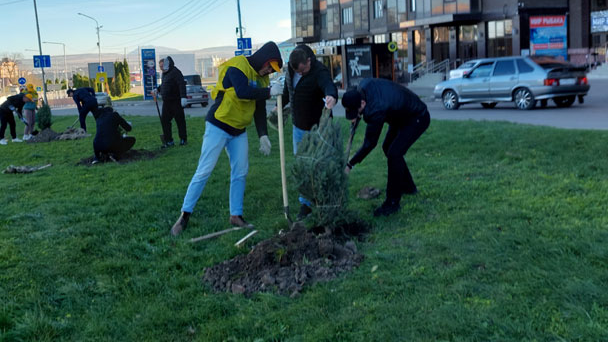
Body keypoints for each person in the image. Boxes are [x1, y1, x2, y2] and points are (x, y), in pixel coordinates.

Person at [170, 41, 284, 236]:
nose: (268, 72)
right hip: (218, 125)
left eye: (272, 70)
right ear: (264, 59)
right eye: (268, 66)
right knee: (204, 170)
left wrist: (263, 135)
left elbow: (257, 109)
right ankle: (184, 216)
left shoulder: (262, 80)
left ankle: (236, 215)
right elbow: (242, 92)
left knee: (240, 172)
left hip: (238, 130)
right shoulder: (237, 65)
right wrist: (268, 92)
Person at [342, 77, 430, 217]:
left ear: (363, 103)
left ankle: (392, 203)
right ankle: (408, 187)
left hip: (417, 117)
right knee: (388, 147)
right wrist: (356, 117)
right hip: (399, 115)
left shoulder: (376, 109)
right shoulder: (363, 86)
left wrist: (350, 164)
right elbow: (360, 111)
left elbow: (370, 143)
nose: (356, 115)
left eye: (357, 111)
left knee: (394, 154)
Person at [278, 45, 338, 219]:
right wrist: (278, 105)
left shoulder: (319, 70)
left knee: (321, 163)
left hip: (319, 128)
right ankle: (306, 205)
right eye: (299, 72)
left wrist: (331, 96)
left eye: (304, 71)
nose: (301, 74)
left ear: (309, 61)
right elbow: (288, 91)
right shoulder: (292, 67)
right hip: (298, 127)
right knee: (303, 166)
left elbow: (328, 85)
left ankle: (326, 200)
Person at [152, 56, 187, 148]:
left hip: (176, 101)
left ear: (168, 64)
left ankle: (183, 139)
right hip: (166, 102)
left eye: (162, 65)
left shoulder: (176, 72)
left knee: (180, 121)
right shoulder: (164, 74)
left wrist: (183, 97)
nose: (161, 68)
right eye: (160, 66)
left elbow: (181, 84)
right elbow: (164, 85)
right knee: (165, 121)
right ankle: (169, 141)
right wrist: (157, 90)